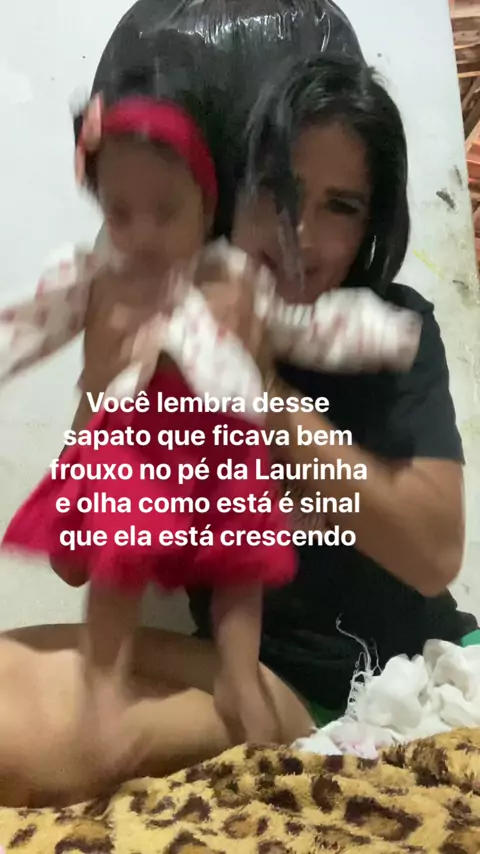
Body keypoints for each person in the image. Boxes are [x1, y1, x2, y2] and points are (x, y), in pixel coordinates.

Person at [0, 54, 472, 807]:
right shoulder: (177, 306)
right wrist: (102, 385)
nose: (299, 235)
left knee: (34, 738)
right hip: (228, 655)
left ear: (371, 224)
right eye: (278, 192)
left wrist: (266, 392)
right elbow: (72, 563)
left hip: (360, 676)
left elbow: (434, 554)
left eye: (340, 207)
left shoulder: (387, 328)